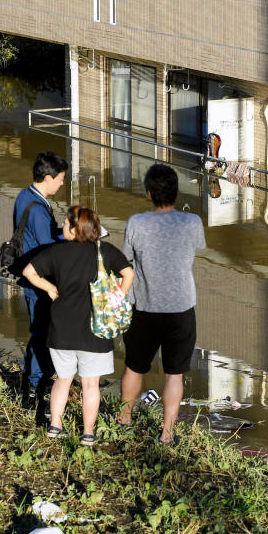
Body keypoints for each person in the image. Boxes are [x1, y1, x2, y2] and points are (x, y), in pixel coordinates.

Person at [22, 206, 133, 443]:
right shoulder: (106, 251)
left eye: (65, 223)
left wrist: (50, 288)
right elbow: (129, 273)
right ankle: (88, 433)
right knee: (91, 384)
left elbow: (28, 272)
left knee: (63, 379)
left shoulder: (57, 252)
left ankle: (54, 426)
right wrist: (117, 296)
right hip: (96, 330)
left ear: (75, 228)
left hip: (62, 328)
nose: (62, 226)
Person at [119, 164, 206, 443]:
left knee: (134, 366)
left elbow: (126, 261)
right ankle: (167, 434)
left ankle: (124, 420)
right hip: (180, 309)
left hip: (143, 307)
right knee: (174, 373)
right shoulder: (192, 223)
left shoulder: (135, 222)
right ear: (176, 193)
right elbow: (195, 250)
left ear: (148, 194)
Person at [13, 151, 68, 410]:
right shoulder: (39, 211)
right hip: (39, 281)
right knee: (42, 334)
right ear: (48, 177)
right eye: (60, 179)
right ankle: (34, 390)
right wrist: (71, 239)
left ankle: (28, 384)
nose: (62, 183)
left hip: (29, 274)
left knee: (37, 331)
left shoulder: (25, 196)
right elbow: (49, 248)